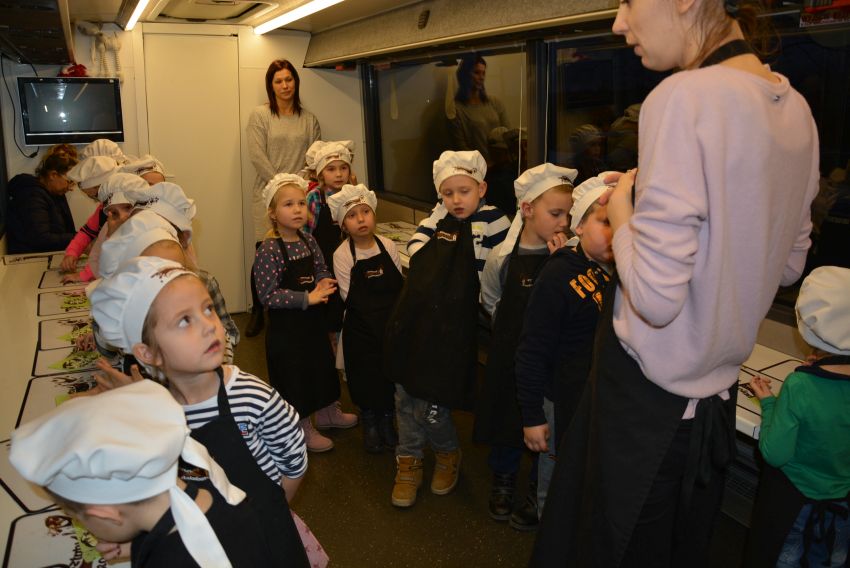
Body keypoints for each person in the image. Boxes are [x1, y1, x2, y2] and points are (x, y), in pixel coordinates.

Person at [531, 1, 821, 566]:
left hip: (644, 402)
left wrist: (624, 210)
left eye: (628, 1)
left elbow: (656, 299)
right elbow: (786, 266)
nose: (619, 22)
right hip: (712, 402)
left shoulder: (682, 97)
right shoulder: (797, 110)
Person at [89, 256, 312, 567]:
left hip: (267, 542)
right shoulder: (158, 412)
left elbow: (294, 463)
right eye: (184, 320)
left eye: (208, 309)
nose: (209, 325)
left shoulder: (252, 398)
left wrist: (265, 518)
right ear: (148, 353)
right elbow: (173, 495)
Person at [9, 379, 284, 567]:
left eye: (76, 517)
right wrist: (138, 547)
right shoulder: (210, 487)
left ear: (104, 513)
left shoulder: (169, 561)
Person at [385, 150, 510, 508]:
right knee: (404, 392)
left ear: (481, 188)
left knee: (433, 397)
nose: (456, 200)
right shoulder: (438, 218)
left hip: (458, 326)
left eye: (464, 191)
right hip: (420, 318)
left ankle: (446, 452)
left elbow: (499, 269)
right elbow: (416, 249)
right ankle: (408, 458)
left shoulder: (495, 221)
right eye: (448, 193)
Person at [475, 163, 576, 531]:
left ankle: (537, 485)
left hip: (551, 360)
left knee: (544, 424)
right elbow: (491, 300)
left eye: (568, 215)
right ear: (528, 209)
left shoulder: (568, 256)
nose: (564, 223)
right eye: (556, 213)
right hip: (510, 354)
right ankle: (503, 477)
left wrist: (561, 262)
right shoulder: (503, 258)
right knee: (506, 417)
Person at [515, 174, 614, 520]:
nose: (616, 232)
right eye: (606, 222)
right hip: (560, 403)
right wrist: (532, 416)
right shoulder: (558, 274)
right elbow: (532, 350)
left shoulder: (614, 273)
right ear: (580, 226)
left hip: (593, 402)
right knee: (556, 487)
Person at [743, 266, 850, 568]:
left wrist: (768, 403)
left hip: (796, 505)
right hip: (840, 507)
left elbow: (775, 453)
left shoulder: (800, 384)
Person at [253, 173, 357, 454]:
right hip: (287, 332)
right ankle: (300, 427)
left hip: (313, 324)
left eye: (301, 203)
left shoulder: (309, 240)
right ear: (272, 213)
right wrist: (306, 297)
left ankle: (327, 412)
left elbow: (320, 267)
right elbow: (267, 295)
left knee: (321, 367)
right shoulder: (269, 250)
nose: (298, 209)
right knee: (295, 378)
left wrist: (323, 281)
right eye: (288, 204)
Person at [246, 59, 322, 338]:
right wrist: (281, 187)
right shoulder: (260, 116)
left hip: (300, 197)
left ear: (296, 82)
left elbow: (314, 158)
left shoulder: (309, 120)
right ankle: (258, 309)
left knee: (298, 249)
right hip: (267, 195)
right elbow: (257, 155)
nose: (285, 85)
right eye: (278, 81)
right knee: (265, 252)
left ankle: (297, 300)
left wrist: (296, 189)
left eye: (289, 79)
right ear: (271, 85)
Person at [328, 184, 404, 453]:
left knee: (388, 376)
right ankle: (370, 421)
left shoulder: (388, 245)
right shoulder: (342, 254)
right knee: (365, 378)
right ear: (343, 224)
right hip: (360, 330)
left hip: (389, 326)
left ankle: (387, 420)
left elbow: (400, 288)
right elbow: (347, 295)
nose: (361, 219)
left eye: (365, 212)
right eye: (352, 215)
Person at [6, 144, 78, 253]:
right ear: (53, 175)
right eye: (69, 181)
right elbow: (41, 240)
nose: (71, 187)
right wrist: (79, 237)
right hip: (30, 257)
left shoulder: (54, 193)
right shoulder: (32, 196)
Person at [60, 155, 121, 282]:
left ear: (103, 187)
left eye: (95, 196)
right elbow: (86, 232)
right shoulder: (103, 207)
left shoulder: (120, 211)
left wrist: (87, 274)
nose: (97, 201)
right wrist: (72, 253)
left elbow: (112, 248)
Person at [448, 55, 510, 164]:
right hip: (477, 168)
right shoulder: (457, 109)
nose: (481, 77)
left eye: (483, 73)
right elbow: (460, 147)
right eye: (476, 72)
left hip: (503, 164)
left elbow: (508, 133)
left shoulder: (494, 102)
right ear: (465, 75)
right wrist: (482, 166)